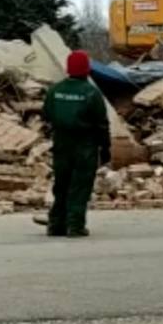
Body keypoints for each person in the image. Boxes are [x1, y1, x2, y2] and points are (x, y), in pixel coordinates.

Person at [40, 50, 110, 237]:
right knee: (79, 187)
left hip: (61, 144)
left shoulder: (55, 90)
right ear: (87, 69)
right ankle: (75, 225)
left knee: (61, 184)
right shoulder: (91, 93)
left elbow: (45, 116)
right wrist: (105, 149)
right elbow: (102, 124)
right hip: (85, 146)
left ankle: (55, 224)